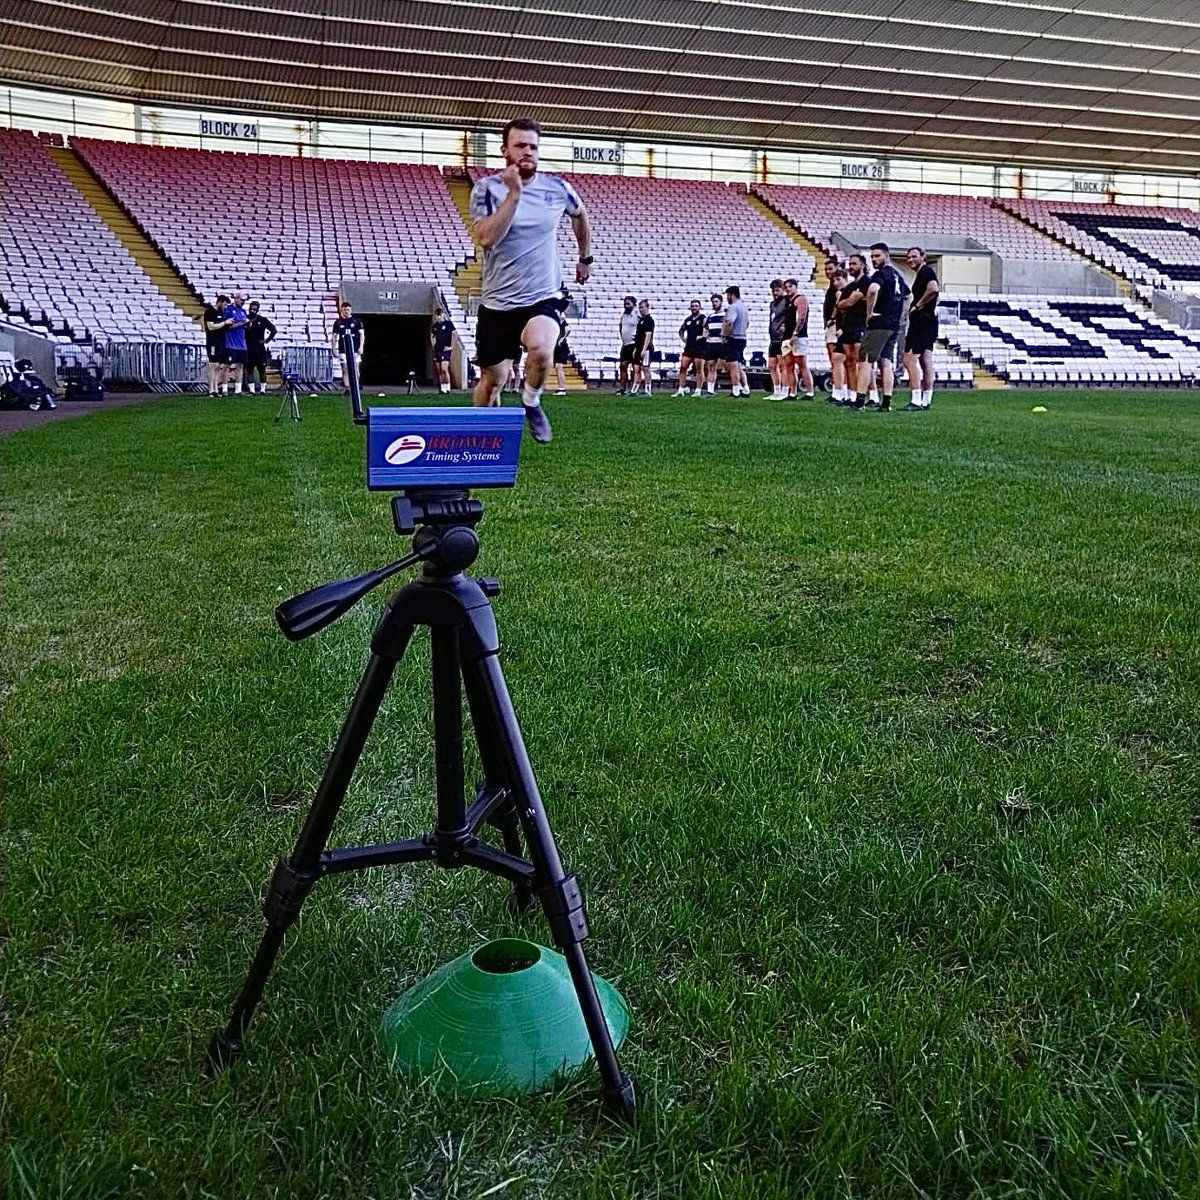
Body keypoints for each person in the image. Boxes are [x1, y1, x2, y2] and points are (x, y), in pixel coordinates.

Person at [468, 117, 592, 443]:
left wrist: (585, 258)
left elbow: (580, 215)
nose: (527, 152)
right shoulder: (487, 189)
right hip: (498, 303)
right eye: (520, 145)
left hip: (543, 295)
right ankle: (485, 439)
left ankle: (531, 402)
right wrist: (515, 194)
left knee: (541, 348)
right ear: (505, 150)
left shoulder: (558, 188)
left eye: (533, 146)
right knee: (492, 382)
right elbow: (486, 238)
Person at [861, 242, 910, 412]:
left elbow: (872, 290)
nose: (874, 259)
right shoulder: (898, 276)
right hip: (894, 324)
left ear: (886, 255)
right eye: (872, 256)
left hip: (879, 322)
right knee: (886, 362)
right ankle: (886, 402)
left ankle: (859, 401)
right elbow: (908, 296)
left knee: (866, 360)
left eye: (877, 256)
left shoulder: (880, 274)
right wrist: (900, 315)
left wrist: (869, 313)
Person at [903, 246, 939, 410]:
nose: (910, 260)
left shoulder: (926, 272)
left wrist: (917, 305)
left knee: (909, 358)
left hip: (923, 320)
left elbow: (933, 289)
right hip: (928, 321)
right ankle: (926, 400)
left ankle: (916, 399)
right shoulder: (922, 273)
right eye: (908, 257)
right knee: (926, 360)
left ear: (923, 256)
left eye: (914, 256)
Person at [833, 256, 870, 406]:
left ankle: (863, 396)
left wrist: (848, 302)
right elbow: (840, 304)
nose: (851, 266)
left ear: (862, 265)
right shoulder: (850, 286)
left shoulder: (866, 282)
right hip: (847, 326)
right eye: (850, 264)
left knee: (860, 361)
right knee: (849, 362)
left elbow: (850, 301)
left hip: (860, 325)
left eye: (854, 264)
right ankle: (851, 395)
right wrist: (847, 302)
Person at [784, 277, 815, 400]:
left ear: (795, 287)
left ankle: (809, 392)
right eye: (786, 287)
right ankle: (792, 392)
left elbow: (801, 317)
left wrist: (795, 333)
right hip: (786, 337)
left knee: (802, 364)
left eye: (790, 286)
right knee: (789, 365)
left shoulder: (800, 299)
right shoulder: (787, 301)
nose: (787, 289)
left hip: (799, 336)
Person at [672, 299, 706, 396]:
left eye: (696, 306)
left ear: (699, 307)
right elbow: (681, 331)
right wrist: (684, 340)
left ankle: (698, 390)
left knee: (699, 369)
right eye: (693, 306)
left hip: (700, 348)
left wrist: (702, 336)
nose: (694, 308)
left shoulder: (703, 318)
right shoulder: (688, 320)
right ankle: (681, 389)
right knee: (683, 368)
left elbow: (707, 331)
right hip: (689, 348)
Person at [331, 301, 365, 394]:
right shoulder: (338, 322)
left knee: (355, 368)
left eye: (347, 310)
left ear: (350, 310)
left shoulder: (356, 321)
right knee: (345, 368)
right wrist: (333, 348)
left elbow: (362, 334)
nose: (346, 311)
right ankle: (347, 388)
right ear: (342, 310)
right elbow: (334, 336)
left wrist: (361, 347)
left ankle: (356, 386)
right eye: (344, 310)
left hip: (355, 349)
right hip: (343, 349)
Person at [722, 285, 749, 397]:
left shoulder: (733, 307)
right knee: (738, 365)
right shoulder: (743, 306)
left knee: (732, 365)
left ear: (732, 295)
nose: (727, 298)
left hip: (734, 338)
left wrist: (724, 334)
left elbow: (729, 322)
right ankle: (745, 389)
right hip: (742, 337)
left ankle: (736, 389)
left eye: (728, 295)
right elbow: (747, 323)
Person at [244, 301, 277, 393]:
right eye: (251, 308)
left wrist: (266, 340)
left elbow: (273, 330)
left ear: (257, 310)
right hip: (248, 348)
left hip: (259, 348)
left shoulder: (262, 319)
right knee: (249, 369)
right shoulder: (245, 319)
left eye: (254, 309)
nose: (252, 311)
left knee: (262, 369)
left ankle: (262, 389)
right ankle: (252, 389)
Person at [221, 293, 250, 394]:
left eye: (244, 301)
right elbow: (227, 327)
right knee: (226, 365)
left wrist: (246, 325)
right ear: (236, 299)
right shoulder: (228, 310)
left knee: (240, 366)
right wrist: (241, 323)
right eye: (241, 300)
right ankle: (225, 389)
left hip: (241, 343)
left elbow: (244, 325)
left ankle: (238, 389)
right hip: (230, 342)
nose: (243, 302)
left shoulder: (243, 311)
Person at [821, 261, 842, 403]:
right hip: (831, 324)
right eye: (826, 269)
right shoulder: (831, 287)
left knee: (837, 359)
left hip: (835, 325)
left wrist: (833, 318)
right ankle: (837, 390)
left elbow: (838, 303)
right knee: (833, 359)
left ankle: (840, 391)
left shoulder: (837, 288)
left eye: (830, 269)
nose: (828, 272)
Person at [766, 279, 790, 399]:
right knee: (771, 365)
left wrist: (785, 326)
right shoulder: (772, 304)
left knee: (783, 365)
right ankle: (776, 390)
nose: (775, 293)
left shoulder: (786, 301)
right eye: (773, 290)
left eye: (777, 290)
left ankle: (785, 391)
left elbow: (790, 316)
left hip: (782, 338)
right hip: (773, 338)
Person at [203, 293, 231, 396]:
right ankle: (211, 389)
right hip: (212, 342)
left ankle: (216, 389)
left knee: (219, 366)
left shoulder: (221, 313)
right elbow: (211, 327)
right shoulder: (210, 312)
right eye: (224, 304)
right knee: (213, 365)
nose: (225, 307)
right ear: (219, 302)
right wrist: (224, 323)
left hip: (221, 342)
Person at [701, 293, 726, 394]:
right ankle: (710, 390)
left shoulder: (725, 315)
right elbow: (705, 328)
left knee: (729, 366)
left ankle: (739, 388)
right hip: (711, 343)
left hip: (722, 344)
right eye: (713, 302)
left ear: (721, 302)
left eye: (716, 301)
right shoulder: (710, 316)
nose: (714, 304)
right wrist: (705, 334)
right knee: (711, 366)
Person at [633, 299, 655, 396]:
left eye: (642, 307)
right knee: (636, 368)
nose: (641, 309)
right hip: (638, 347)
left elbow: (648, 336)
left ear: (647, 308)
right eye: (640, 307)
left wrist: (644, 349)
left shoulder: (649, 320)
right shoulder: (640, 320)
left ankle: (648, 390)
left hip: (646, 348)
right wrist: (636, 349)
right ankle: (634, 389)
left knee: (645, 368)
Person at [617, 296, 638, 395]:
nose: (626, 305)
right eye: (625, 303)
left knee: (635, 368)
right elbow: (620, 326)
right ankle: (623, 388)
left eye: (628, 303)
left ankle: (634, 388)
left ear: (634, 305)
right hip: (625, 345)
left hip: (633, 344)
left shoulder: (636, 315)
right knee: (623, 366)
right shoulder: (623, 315)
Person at [431, 306, 455, 394]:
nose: (438, 318)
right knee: (439, 370)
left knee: (444, 368)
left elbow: (454, 334)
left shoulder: (448, 324)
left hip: (445, 350)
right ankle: (442, 388)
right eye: (437, 316)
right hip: (438, 349)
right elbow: (432, 335)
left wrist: (451, 346)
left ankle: (448, 387)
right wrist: (433, 343)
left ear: (443, 315)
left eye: (439, 315)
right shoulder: (435, 326)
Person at [552, 320, 571, 395]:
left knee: (558, 366)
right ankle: (560, 387)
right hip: (556, 346)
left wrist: (562, 338)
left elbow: (568, 328)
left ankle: (562, 388)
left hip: (561, 346)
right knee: (557, 367)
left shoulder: (559, 320)